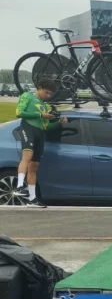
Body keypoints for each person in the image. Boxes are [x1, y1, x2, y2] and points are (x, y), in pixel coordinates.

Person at [13, 79, 67, 207]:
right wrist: (40, 115)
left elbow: (46, 126)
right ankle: (19, 186)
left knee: (34, 166)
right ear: (39, 88)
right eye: (46, 92)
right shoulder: (27, 96)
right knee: (27, 157)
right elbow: (19, 112)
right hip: (28, 129)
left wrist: (59, 122)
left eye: (50, 94)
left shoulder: (44, 105)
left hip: (40, 134)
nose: (48, 96)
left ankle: (32, 199)